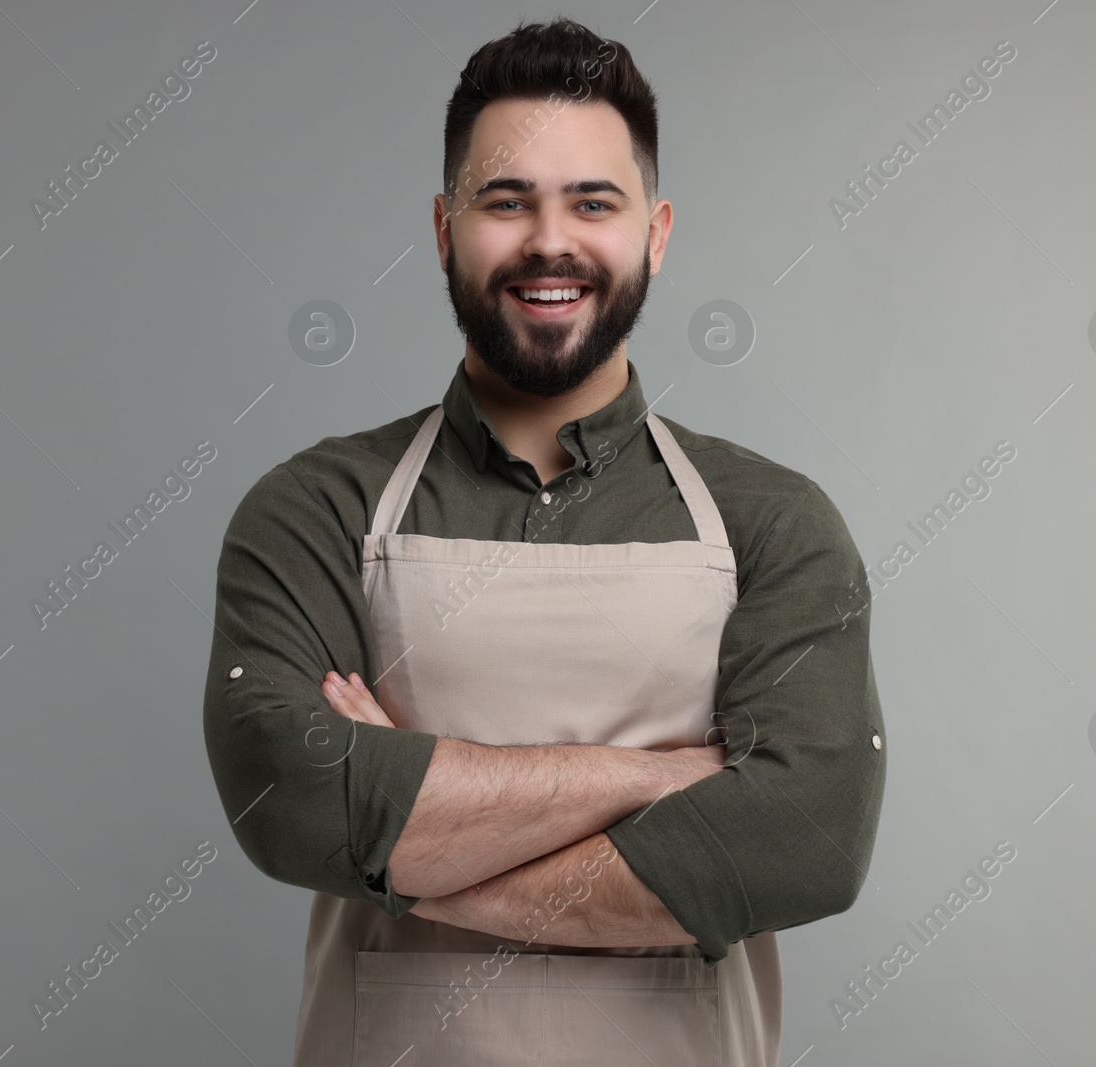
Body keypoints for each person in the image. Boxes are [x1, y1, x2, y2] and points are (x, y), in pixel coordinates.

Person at [202, 17, 886, 1065]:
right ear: (443, 228)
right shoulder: (318, 509)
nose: (547, 241)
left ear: (654, 234)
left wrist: (412, 834)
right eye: (505, 200)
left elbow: (805, 839)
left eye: (592, 202)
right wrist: (660, 777)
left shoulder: (771, 520)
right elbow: (295, 803)